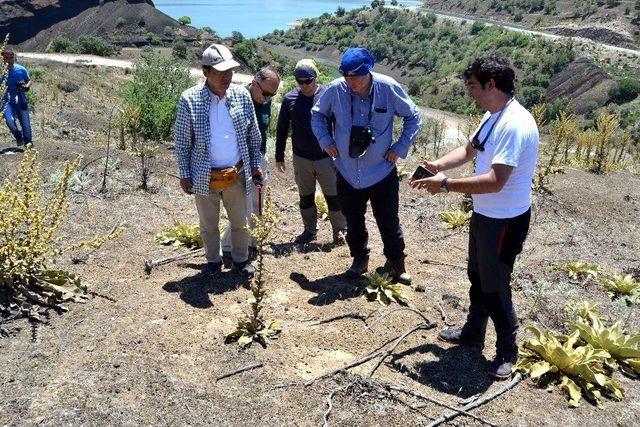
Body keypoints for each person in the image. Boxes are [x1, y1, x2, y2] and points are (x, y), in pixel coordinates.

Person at [409, 52, 540, 380]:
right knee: (477, 277)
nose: (469, 91)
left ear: (491, 84)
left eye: (472, 85)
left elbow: (496, 181)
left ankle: (508, 350)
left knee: (495, 286)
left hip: (505, 220)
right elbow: (470, 150)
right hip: (486, 215)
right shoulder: (493, 114)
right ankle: (473, 332)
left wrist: (446, 185)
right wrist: (439, 165)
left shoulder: (514, 124)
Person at [311, 47, 421, 284]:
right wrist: (325, 140)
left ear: (369, 72)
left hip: (382, 171)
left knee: (388, 220)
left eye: (357, 78)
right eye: (348, 77)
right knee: (353, 220)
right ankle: (359, 258)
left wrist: (399, 148)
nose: (352, 83)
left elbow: (413, 116)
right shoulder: (336, 88)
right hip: (347, 171)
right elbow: (317, 115)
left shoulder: (388, 87)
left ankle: (396, 262)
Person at [174, 43, 263, 276]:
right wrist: (184, 173)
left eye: (230, 71)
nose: (227, 76)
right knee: (208, 224)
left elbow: (254, 136)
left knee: (240, 221)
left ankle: (241, 261)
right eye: (221, 71)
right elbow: (183, 141)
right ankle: (213, 261)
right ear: (206, 72)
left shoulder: (242, 95)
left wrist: (255, 164)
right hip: (204, 174)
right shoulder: (189, 99)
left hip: (237, 172)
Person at [276, 59, 347, 245]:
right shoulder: (290, 99)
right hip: (301, 158)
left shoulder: (328, 95)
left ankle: (340, 232)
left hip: (327, 158)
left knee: (334, 198)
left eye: (308, 80)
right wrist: (279, 156)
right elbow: (282, 128)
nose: (305, 85)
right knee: (305, 198)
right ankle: (309, 230)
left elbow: (341, 124)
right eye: (300, 81)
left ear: (316, 77)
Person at [221, 67, 280, 264]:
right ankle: (228, 246)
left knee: (257, 203)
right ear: (254, 83)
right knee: (242, 206)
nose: (268, 98)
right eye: (265, 93)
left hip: (259, 158)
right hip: (239, 160)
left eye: (273, 94)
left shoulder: (266, 100)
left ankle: (253, 242)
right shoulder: (237, 99)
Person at [1, 49, 33, 148]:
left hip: (20, 99)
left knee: (26, 123)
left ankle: (28, 144)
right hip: (5, 101)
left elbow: (29, 80)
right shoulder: (1, 71)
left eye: (11, 57)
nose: (9, 60)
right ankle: (18, 136)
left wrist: (26, 86)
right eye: (6, 57)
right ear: (2, 58)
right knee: (10, 121)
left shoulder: (21, 69)